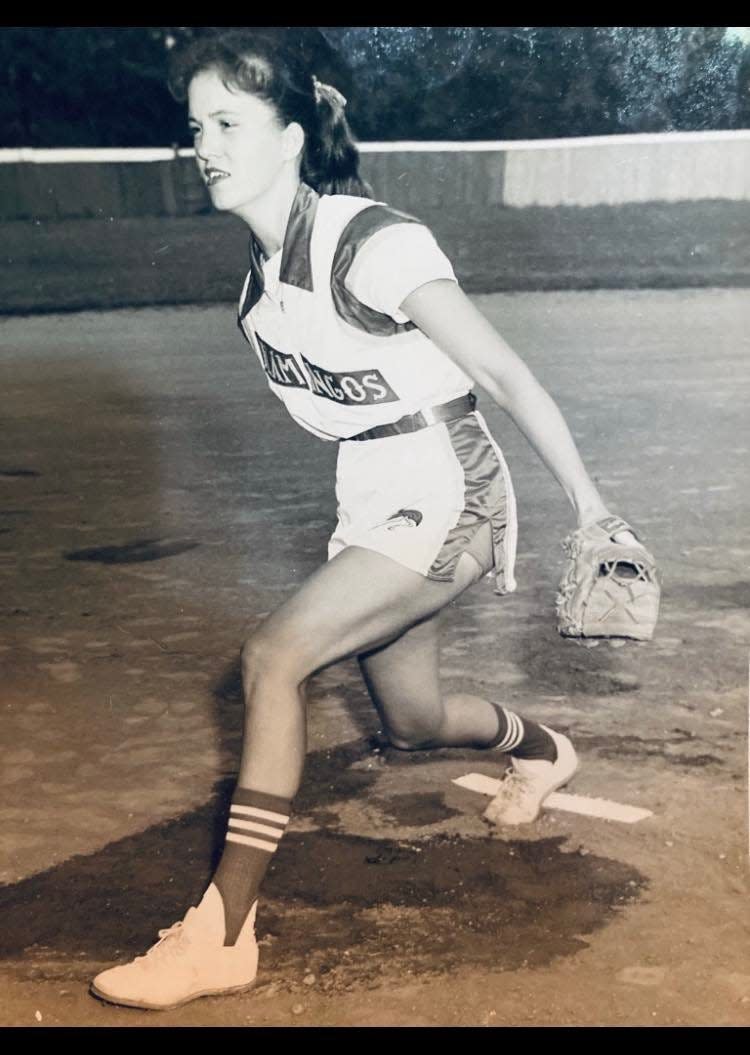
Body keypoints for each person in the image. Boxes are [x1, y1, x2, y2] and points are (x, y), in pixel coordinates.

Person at [91, 28, 642, 1011]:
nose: (204, 145)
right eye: (195, 126)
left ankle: (223, 929)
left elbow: (501, 371)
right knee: (413, 721)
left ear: (295, 135)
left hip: (450, 483)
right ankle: (541, 749)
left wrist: (595, 511)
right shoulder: (260, 290)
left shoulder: (371, 241)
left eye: (228, 122)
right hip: (376, 492)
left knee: (272, 660)